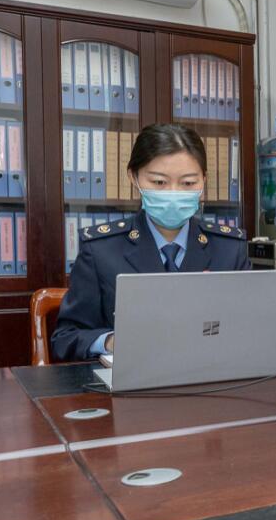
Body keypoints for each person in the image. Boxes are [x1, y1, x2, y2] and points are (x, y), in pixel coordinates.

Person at [51, 124, 250, 361]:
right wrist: (111, 341)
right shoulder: (100, 250)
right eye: (159, 182)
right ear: (133, 177)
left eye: (188, 183)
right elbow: (65, 338)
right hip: (130, 387)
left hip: (211, 381)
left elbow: (249, 330)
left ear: (203, 182)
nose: (173, 193)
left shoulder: (230, 248)